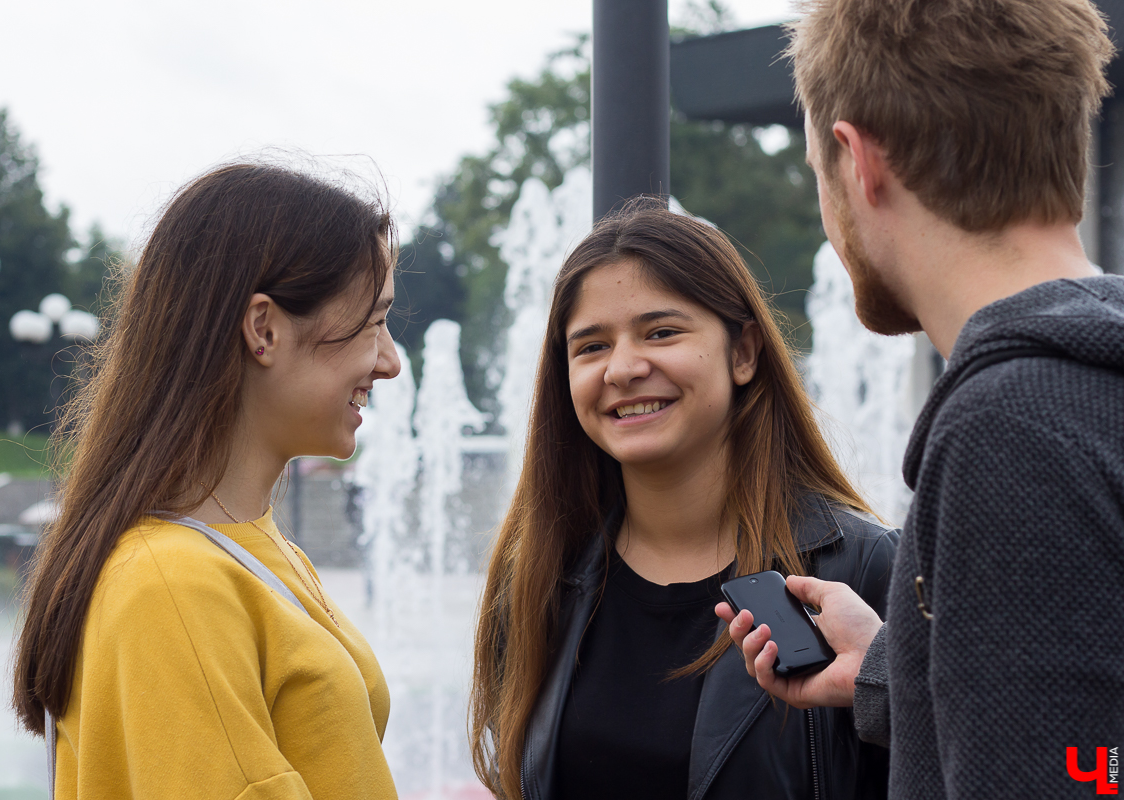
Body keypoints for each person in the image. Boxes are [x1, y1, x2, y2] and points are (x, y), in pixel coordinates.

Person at [720, 1, 1124, 797]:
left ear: (858, 161)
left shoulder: (1011, 425)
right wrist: (895, 666)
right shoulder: (1094, 373)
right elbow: (1095, 746)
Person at [470, 201, 900, 800]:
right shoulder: (541, 574)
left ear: (744, 352)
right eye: (590, 347)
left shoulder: (859, 567)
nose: (622, 368)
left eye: (661, 332)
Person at [11, 163, 402, 799]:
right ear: (265, 329)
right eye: (373, 321)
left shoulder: (240, 546)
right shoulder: (172, 586)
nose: (388, 362)